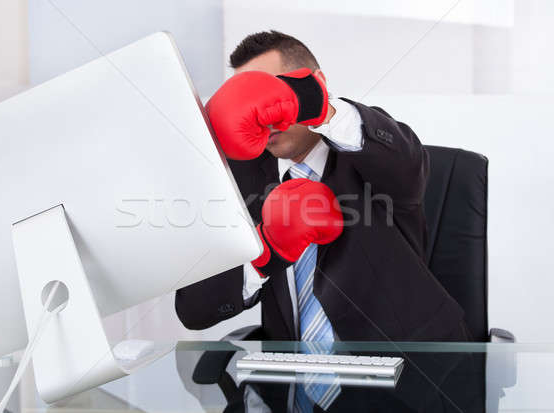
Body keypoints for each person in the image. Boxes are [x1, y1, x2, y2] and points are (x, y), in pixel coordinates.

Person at [175, 30, 471, 343]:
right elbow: (194, 310)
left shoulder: (370, 153)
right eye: (248, 102)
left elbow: (409, 162)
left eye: (270, 94)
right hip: (293, 378)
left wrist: (319, 107)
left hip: (411, 371)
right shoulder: (239, 179)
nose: (264, 116)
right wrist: (266, 254)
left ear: (314, 83)